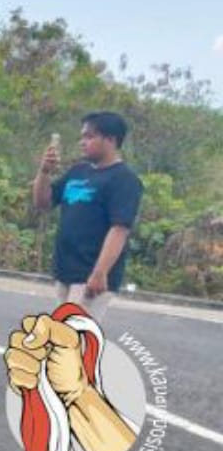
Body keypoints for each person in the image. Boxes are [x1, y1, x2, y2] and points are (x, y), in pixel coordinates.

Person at [32, 111, 143, 316]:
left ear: (110, 140)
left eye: (89, 136)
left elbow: (119, 229)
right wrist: (44, 171)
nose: (82, 142)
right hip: (65, 271)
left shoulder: (124, 180)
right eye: (82, 136)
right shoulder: (78, 171)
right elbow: (42, 203)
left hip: (90, 275)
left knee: (74, 339)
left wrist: (100, 273)